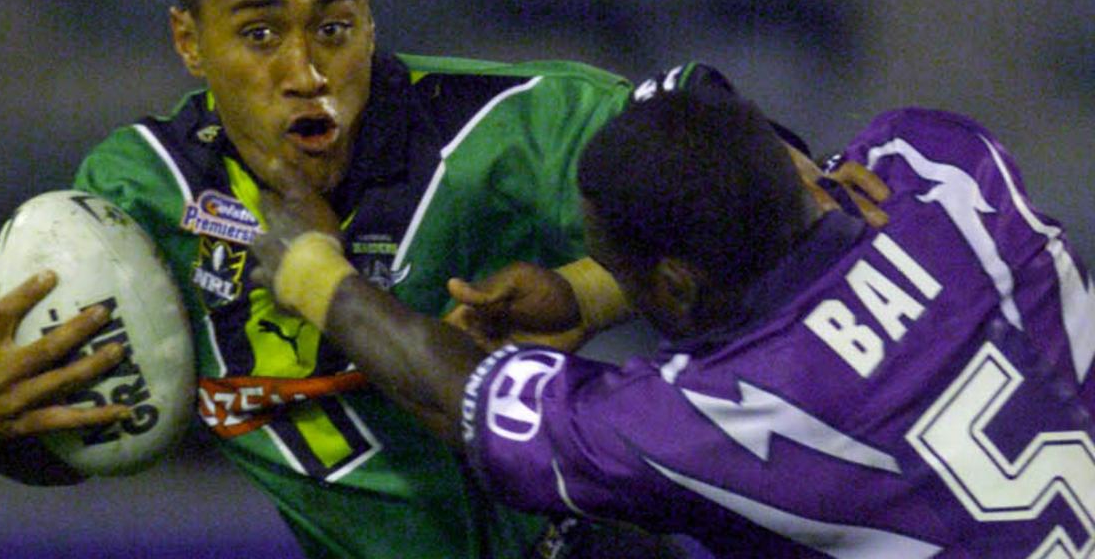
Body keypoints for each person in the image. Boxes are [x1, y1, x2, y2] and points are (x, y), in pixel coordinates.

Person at [0, 0, 695, 558]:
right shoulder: (139, 193)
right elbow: (104, 436)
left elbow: (762, 222)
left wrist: (588, 293)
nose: (306, 73)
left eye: (333, 27)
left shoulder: (514, 126)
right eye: (259, 33)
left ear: (368, 15)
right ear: (189, 41)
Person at [251, 65, 1095, 557]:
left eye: (620, 265)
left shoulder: (709, 419)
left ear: (681, 284)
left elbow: (462, 399)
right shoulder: (946, 164)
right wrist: (587, 292)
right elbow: (801, 189)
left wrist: (313, 272)